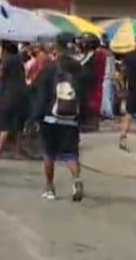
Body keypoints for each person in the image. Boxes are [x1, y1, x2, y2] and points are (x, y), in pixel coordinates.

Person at [32, 33, 89, 202]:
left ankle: (50, 187)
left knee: (49, 154)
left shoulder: (50, 68)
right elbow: (84, 95)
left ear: (58, 47)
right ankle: (76, 179)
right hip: (71, 118)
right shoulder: (80, 69)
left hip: (50, 118)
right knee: (71, 154)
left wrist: (36, 116)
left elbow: (40, 93)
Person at [0, 41, 29, 159]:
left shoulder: (8, 60)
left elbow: (0, 74)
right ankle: (18, 153)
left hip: (11, 94)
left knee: (5, 122)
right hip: (22, 94)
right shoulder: (18, 59)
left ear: (5, 50)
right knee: (18, 124)